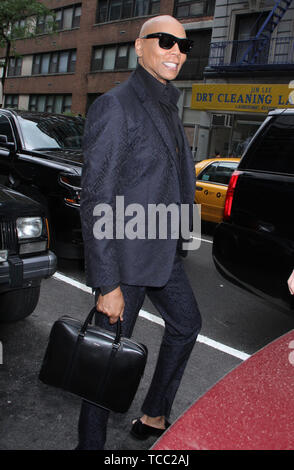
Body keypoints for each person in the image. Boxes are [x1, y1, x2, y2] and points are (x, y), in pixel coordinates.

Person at [77, 14, 202, 450]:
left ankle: (153, 415)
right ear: (139, 45)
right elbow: (96, 197)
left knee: (187, 325)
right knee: (105, 360)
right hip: (125, 262)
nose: (176, 52)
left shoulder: (168, 103)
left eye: (183, 46)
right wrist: (106, 282)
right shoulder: (117, 106)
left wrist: (185, 236)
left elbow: (175, 179)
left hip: (163, 252)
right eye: (165, 41)